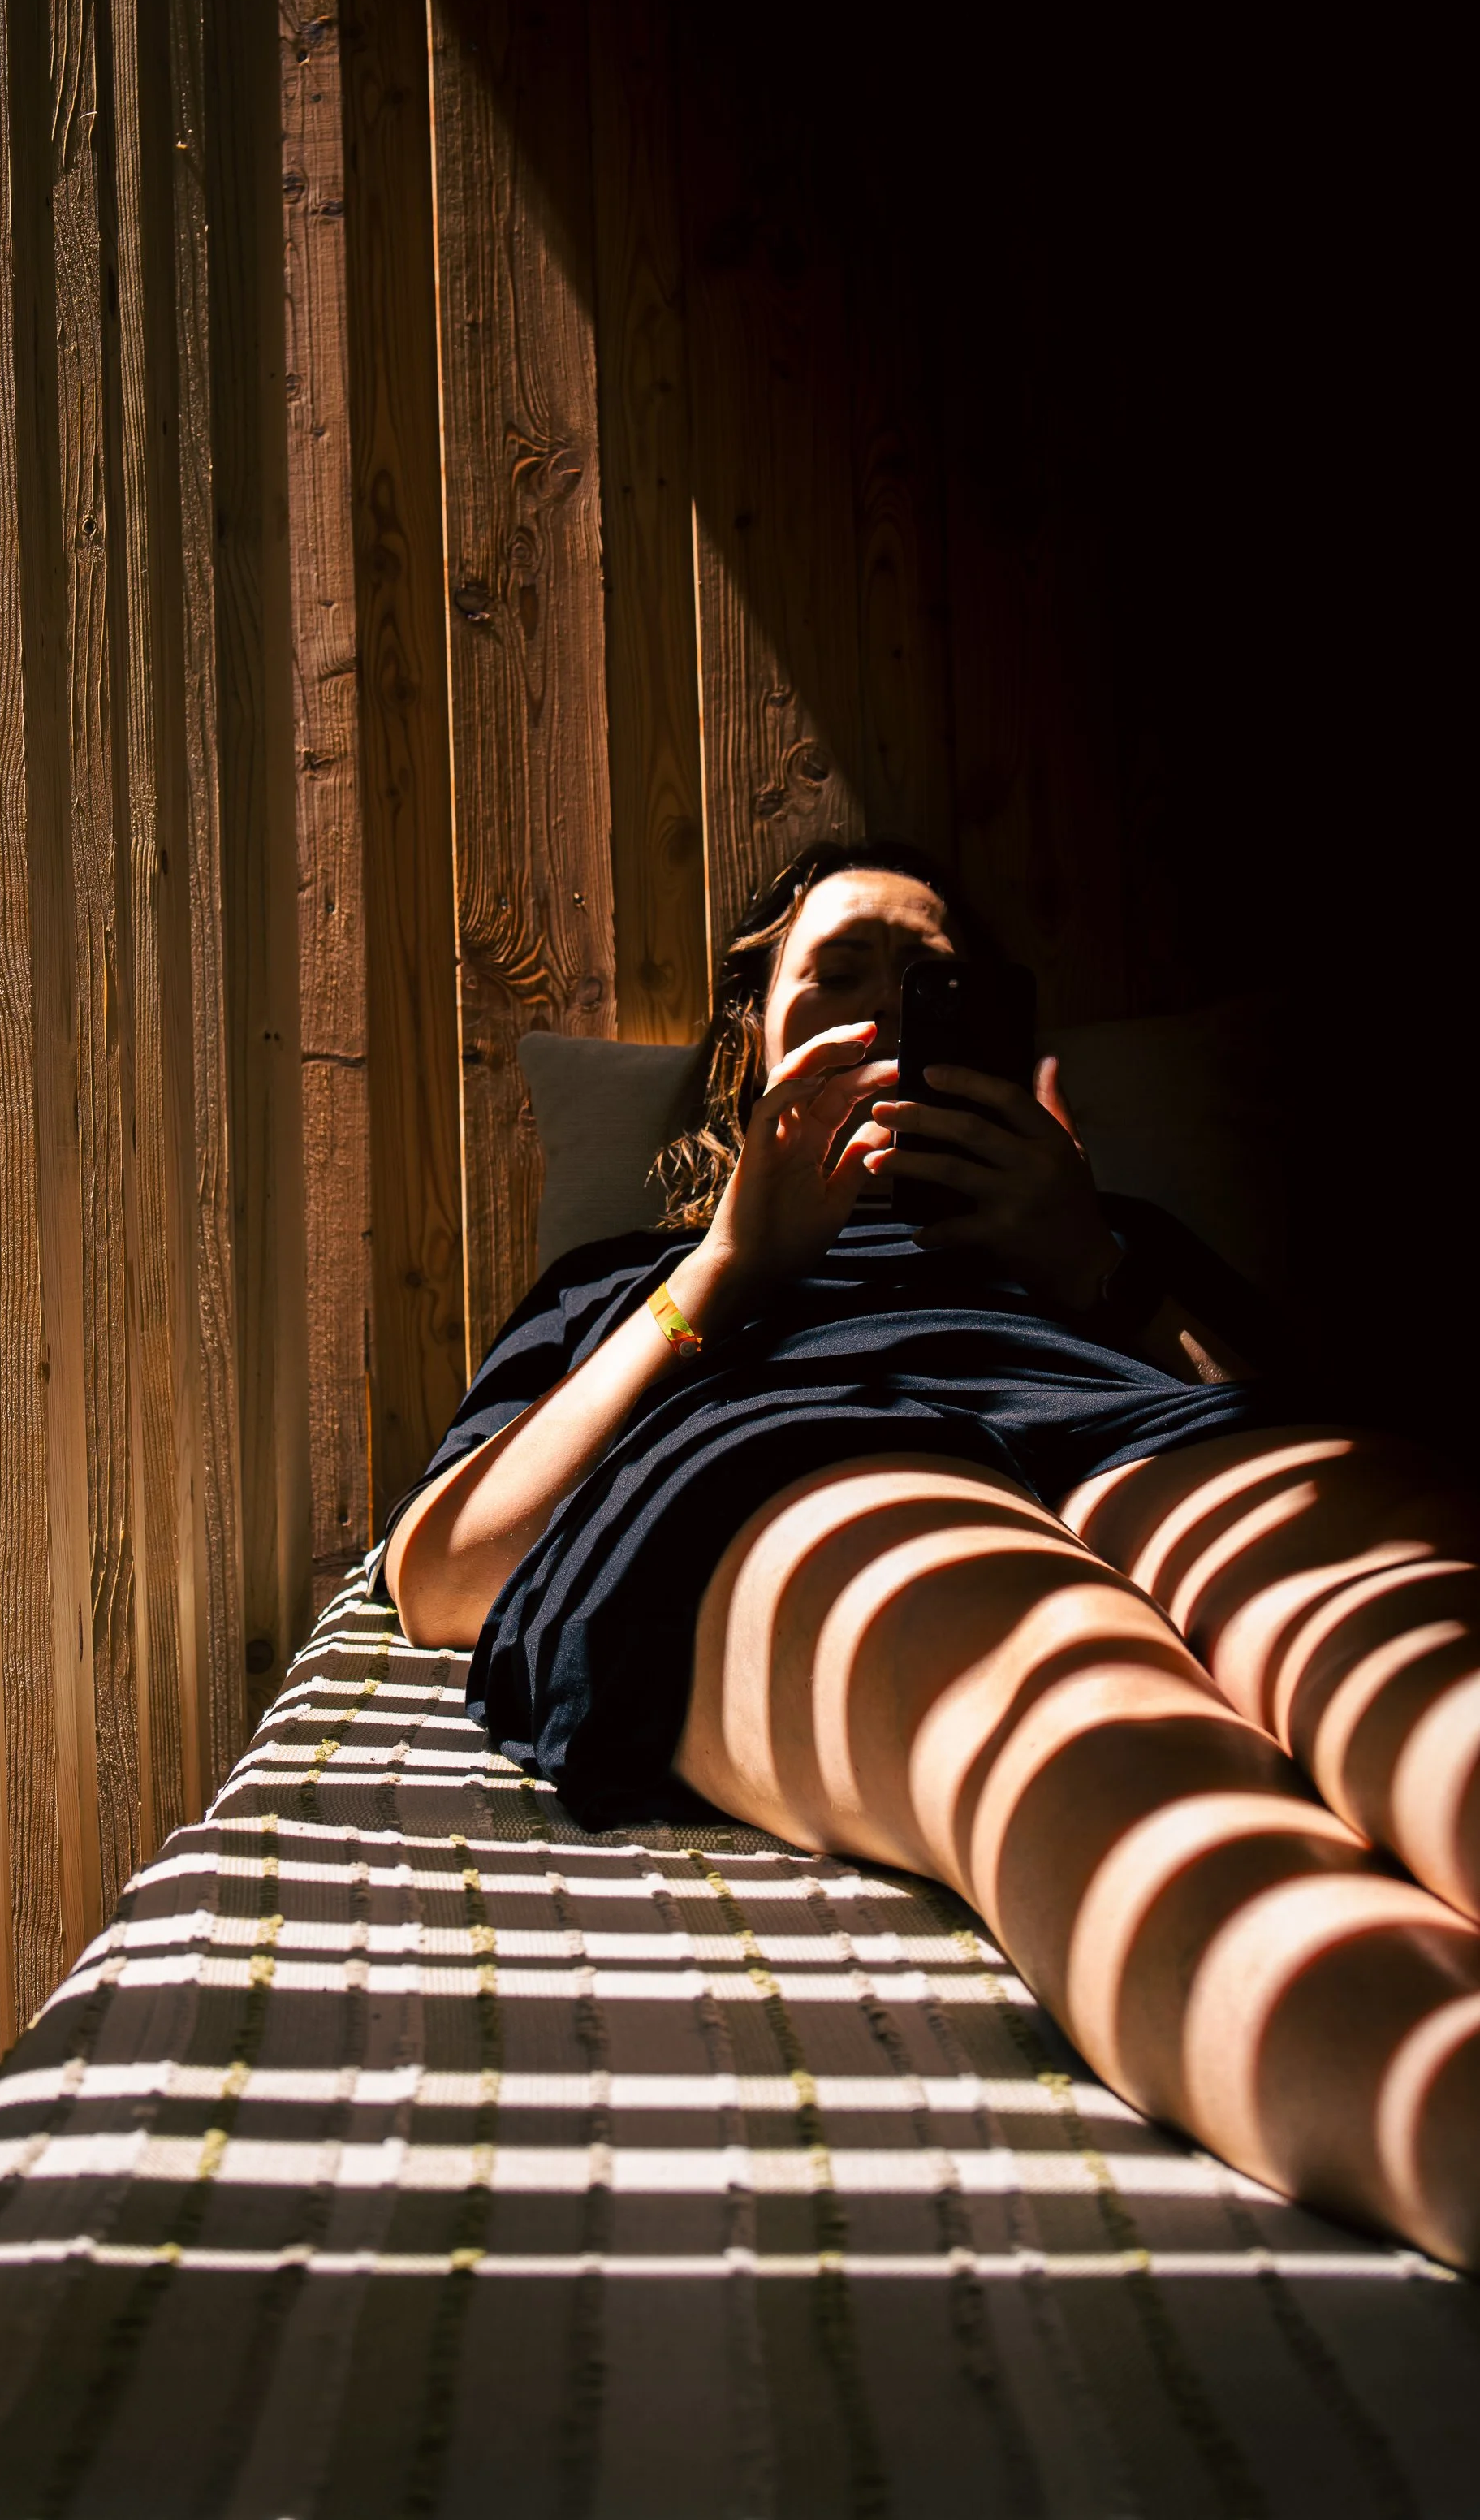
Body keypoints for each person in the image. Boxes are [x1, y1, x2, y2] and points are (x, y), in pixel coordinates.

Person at [383, 841, 1480, 2267]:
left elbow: (1281, 1409)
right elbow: (445, 1575)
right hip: (790, 1445)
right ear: (752, 1052)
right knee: (1080, 1719)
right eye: (838, 980)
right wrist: (725, 1267)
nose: (893, 1018)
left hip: (1125, 1417)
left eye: (936, 990)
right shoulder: (630, 1280)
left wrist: (1087, 1258)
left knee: (1414, 1645)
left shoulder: (1109, 1236)